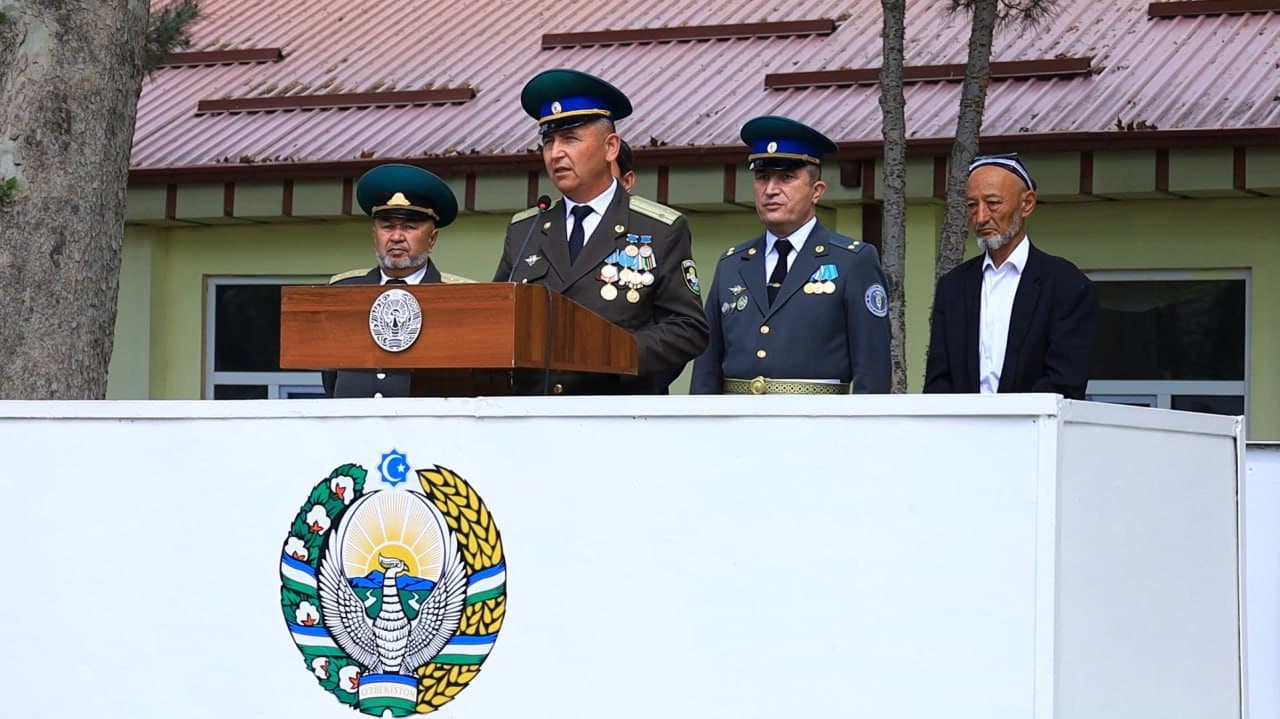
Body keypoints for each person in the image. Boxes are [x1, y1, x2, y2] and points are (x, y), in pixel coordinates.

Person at [493, 68, 708, 394]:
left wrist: (618, 352)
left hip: (616, 411)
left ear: (610, 147)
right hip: (534, 412)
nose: (556, 153)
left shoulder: (659, 229)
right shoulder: (525, 230)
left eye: (570, 139)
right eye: (548, 142)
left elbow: (688, 329)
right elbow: (497, 319)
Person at [690, 116, 891, 395]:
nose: (771, 190)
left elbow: (873, 371)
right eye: (762, 178)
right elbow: (706, 369)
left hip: (817, 419)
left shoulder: (852, 261)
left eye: (786, 178)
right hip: (735, 419)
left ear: (816, 191)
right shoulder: (731, 264)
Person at [923, 153, 1097, 399]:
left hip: (1035, 422)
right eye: (972, 205)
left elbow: (1064, 383)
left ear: (1027, 204)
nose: (981, 217)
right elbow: (938, 382)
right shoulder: (953, 286)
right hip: (964, 423)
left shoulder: (1066, 284)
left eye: (993, 203)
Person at [323, 163, 458, 398]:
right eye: (387, 227)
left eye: (409, 227)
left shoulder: (457, 298)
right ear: (374, 235)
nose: (396, 237)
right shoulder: (343, 293)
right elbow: (330, 379)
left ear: (432, 239)